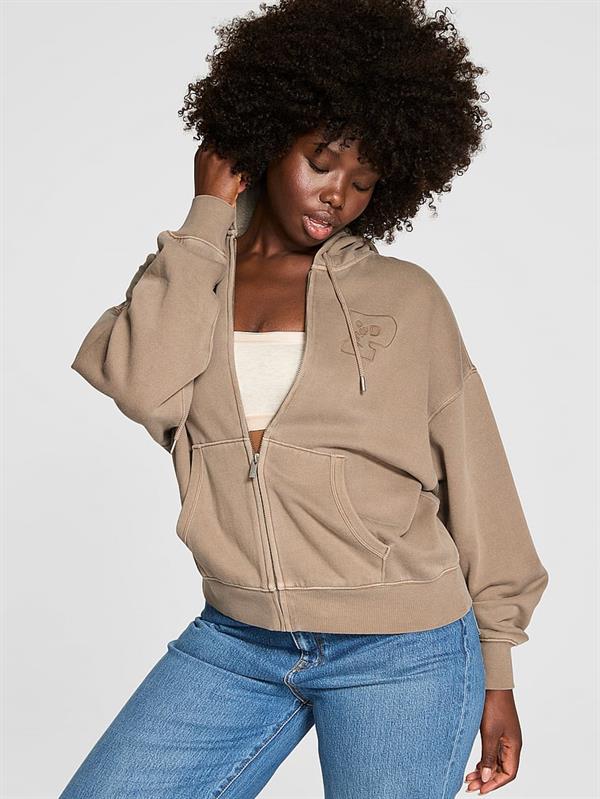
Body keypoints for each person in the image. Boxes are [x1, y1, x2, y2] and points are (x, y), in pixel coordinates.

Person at [59, 1, 549, 797]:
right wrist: (206, 216)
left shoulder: (406, 297)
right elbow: (144, 385)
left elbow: (479, 480)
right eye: (322, 163)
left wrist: (498, 669)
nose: (338, 197)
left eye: (362, 182)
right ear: (267, 138)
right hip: (238, 637)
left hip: (406, 647)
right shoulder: (191, 275)